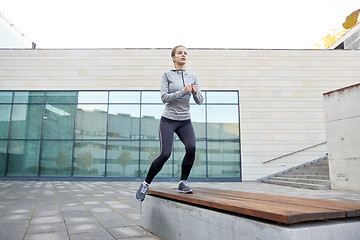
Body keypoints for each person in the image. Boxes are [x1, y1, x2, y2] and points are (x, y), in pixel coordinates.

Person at [136, 45, 203, 202]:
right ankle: (145, 184)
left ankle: (182, 182)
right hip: (168, 120)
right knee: (165, 154)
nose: (183, 55)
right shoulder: (167, 75)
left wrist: (194, 92)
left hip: (185, 121)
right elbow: (164, 97)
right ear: (173, 58)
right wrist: (183, 91)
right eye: (180, 53)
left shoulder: (192, 77)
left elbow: (200, 101)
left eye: (185, 53)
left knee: (191, 147)